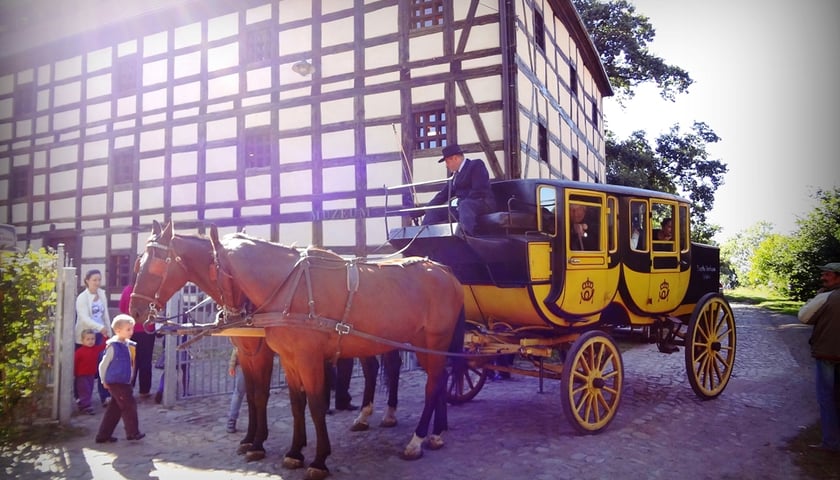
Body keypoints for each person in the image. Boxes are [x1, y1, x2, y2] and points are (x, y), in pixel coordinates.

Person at [798, 261, 840, 453]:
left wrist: (817, 297)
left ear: (837, 277)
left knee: (827, 398)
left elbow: (804, 317)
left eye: (827, 274)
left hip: (827, 353)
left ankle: (831, 442)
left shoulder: (826, 297)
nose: (823, 277)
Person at [415, 144, 496, 236]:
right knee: (434, 212)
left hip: (481, 203)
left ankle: (466, 237)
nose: (446, 166)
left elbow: (479, 189)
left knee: (465, 205)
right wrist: (426, 209)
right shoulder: (454, 176)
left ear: (455, 158)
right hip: (461, 207)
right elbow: (442, 195)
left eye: (447, 162)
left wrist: (460, 203)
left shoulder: (476, 165)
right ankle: (423, 237)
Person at [96, 314, 145, 443]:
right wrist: (103, 380)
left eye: (132, 329)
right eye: (128, 329)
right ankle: (133, 432)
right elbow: (103, 365)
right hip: (116, 382)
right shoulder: (113, 346)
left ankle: (103, 435)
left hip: (125, 381)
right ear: (118, 330)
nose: (131, 332)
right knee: (129, 406)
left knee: (115, 409)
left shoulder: (129, 345)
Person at [75, 269, 112, 405]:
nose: (97, 283)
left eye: (99, 280)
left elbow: (105, 315)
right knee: (84, 369)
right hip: (86, 336)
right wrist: (99, 327)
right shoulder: (82, 297)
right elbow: (84, 318)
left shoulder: (102, 294)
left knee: (103, 365)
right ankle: (80, 397)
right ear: (87, 281)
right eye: (94, 280)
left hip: (101, 335)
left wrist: (108, 331)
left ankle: (104, 396)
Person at [121, 283, 155, 398]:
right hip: (147, 330)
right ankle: (144, 390)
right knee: (146, 360)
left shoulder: (128, 290)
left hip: (130, 331)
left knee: (130, 360)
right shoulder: (151, 290)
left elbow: (122, 308)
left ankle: (128, 388)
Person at [74, 329, 106, 415]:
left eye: (92, 339)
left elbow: (104, 346)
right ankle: (86, 406)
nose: (90, 341)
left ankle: (83, 404)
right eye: (88, 339)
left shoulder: (95, 349)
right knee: (84, 390)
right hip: (81, 375)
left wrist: (105, 336)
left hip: (91, 374)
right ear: (82, 340)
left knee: (90, 389)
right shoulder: (79, 352)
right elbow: (75, 362)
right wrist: (74, 373)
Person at [227, 347, 245, 433]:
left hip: (259, 364)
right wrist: (232, 364)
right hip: (243, 365)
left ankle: (259, 422)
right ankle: (232, 420)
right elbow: (236, 347)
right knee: (238, 393)